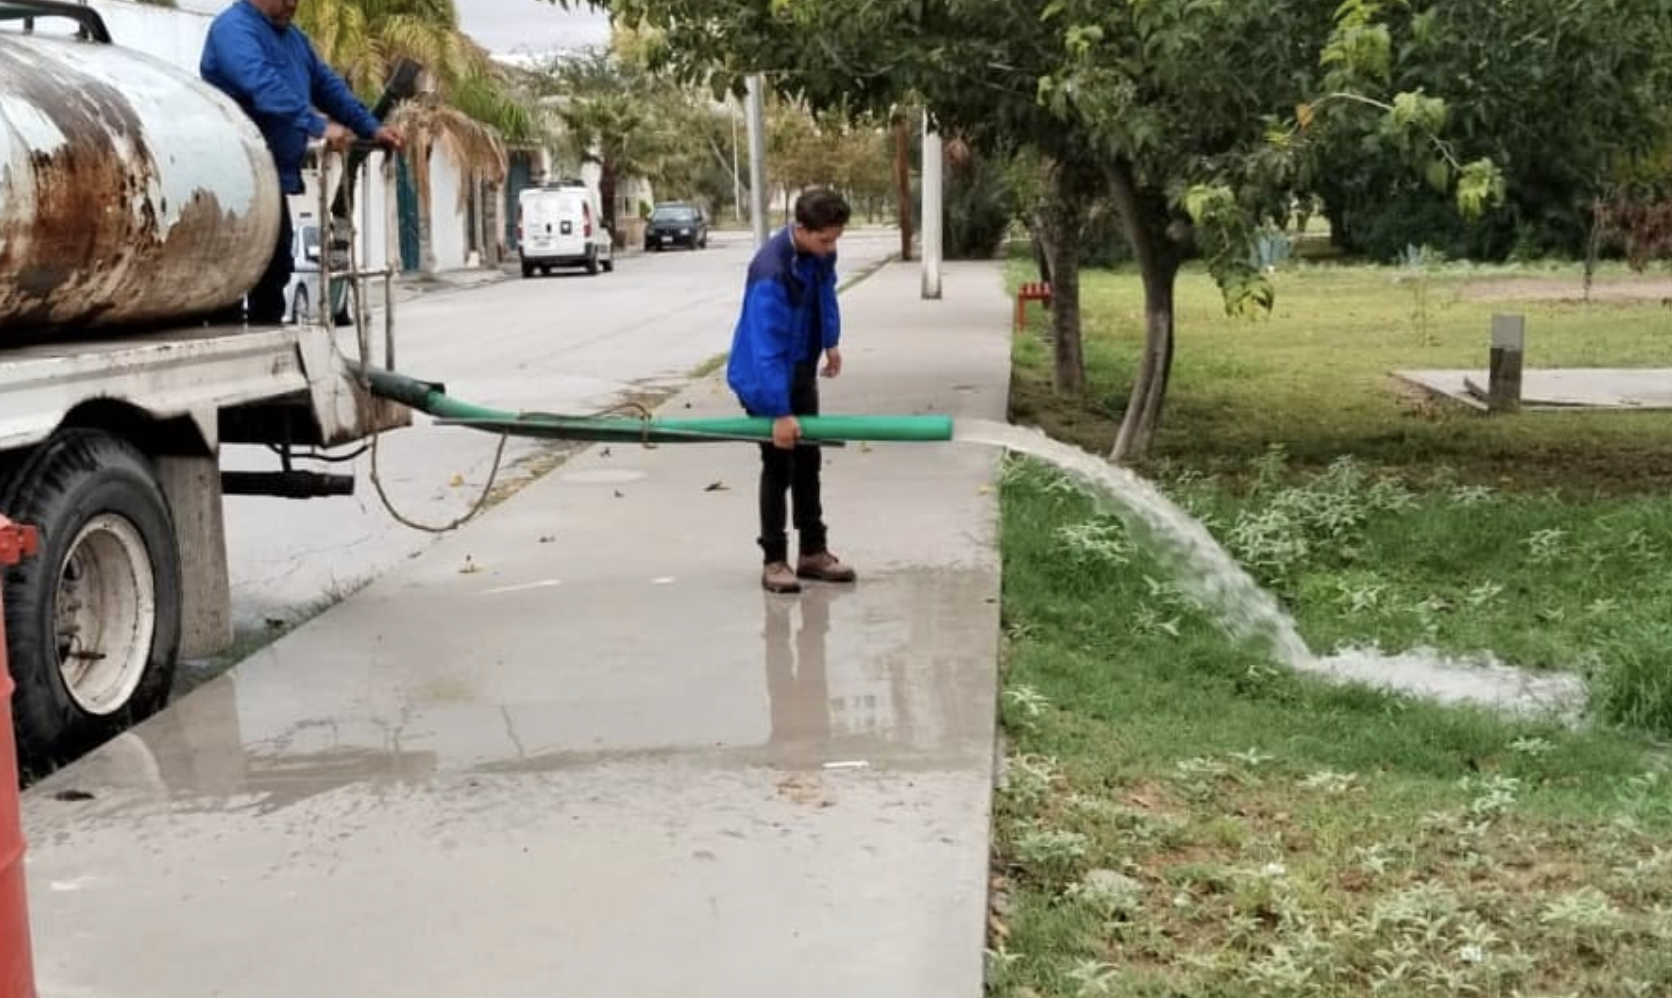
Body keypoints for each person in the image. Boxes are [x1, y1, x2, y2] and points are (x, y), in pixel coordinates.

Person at [200, 0, 403, 325]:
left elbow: (328, 87)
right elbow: (261, 84)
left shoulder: (295, 40)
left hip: (272, 180)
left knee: (276, 269)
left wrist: (371, 127)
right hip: (233, 182)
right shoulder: (234, 29)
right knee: (232, 276)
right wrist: (318, 125)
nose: (293, 4)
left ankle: (267, 353)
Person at [727, 188, 857, 594]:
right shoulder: (771, 271)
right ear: (800, 229)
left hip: (799, 367)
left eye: (835, 239)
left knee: (809, 459)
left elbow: (825, 293)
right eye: (825, 240)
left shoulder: (819, 253)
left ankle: (812, 552)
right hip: (763, 379)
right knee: (779, 464)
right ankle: (774, 559)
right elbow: (766, 350)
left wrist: (830, 340)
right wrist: (779, 412)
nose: (830, 248)